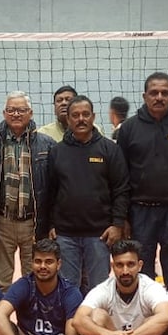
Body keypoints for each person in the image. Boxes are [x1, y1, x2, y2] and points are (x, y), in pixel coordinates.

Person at [116, 72, 168, 287]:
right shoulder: (129, 128)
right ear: (145, 96)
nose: (159, 97)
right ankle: (147, 318)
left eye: (165, 93)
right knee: (142, 273)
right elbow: (120, 176)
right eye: (154, 93)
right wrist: (123, 217)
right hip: (139, 211)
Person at [48, 95, 129, 294]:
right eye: (75, 115)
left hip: (99, 235)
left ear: (93, 117)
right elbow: (49, 191)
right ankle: (71, 326)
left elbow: (121, 189)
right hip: (65, 235)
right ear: (68, 119)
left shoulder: (109, 149)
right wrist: (49, 225)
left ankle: (96, 325)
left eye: (85, 114)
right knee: (68, 290)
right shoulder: (57, 152)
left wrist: (117, 224)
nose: (81, 119)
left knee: (99, 291)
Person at [0, 91, 55, 291]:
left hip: (34, 223)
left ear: (30, 113)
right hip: (2, 222)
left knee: (35, 281)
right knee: (0, 284)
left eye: (21, 110)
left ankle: (31, 322)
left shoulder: (47, 145)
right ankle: (1, 322)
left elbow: (56, 187)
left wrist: (51, 222)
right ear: (4, 113)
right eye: (11, 110)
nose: (16, 114)